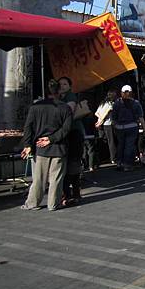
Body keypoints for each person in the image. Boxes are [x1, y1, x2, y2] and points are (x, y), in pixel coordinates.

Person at [20, 79, 72, 211]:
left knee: (38, 178)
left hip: (40, 147)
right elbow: (66, 129)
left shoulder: (35, 107)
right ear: (59, 91)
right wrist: (51, 138)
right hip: (58, 147)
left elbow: (28, 127)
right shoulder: (65, 108)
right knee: (56, 178)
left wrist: (27, 145)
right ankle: (53, 203)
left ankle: (32, 203)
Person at [58, 76, 86, 205]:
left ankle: (74, 193)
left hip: (74, 133)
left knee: (73, 164)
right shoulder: (59, 98)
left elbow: (68, 111)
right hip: (65, 134)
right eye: (60, 84)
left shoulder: (70, 97)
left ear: (70, 86)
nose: (62, 86)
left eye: (65, 84)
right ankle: (67, 194)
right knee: (66, 165)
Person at [111, 85, 145, 172]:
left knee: (120, 145)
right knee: (129, 146)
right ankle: (127, 165)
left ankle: (119, 163)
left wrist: (114, 127)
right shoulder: (136, 103)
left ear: (121, 93)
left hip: (119, 128)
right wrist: (144, 128)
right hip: (132, 127)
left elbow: (113, 118)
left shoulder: (117, 103)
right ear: (131, 93)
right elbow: (141, 117)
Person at [95, 90, 118, 164]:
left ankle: (104, 157)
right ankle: (113, 158)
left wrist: (99, 121)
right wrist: (101, 120)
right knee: (112, 141)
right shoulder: (111, 104)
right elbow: (106, 113)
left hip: (102, 125)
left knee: (104, 141)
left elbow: (96, 113)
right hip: (108, 124)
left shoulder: (102, 103)